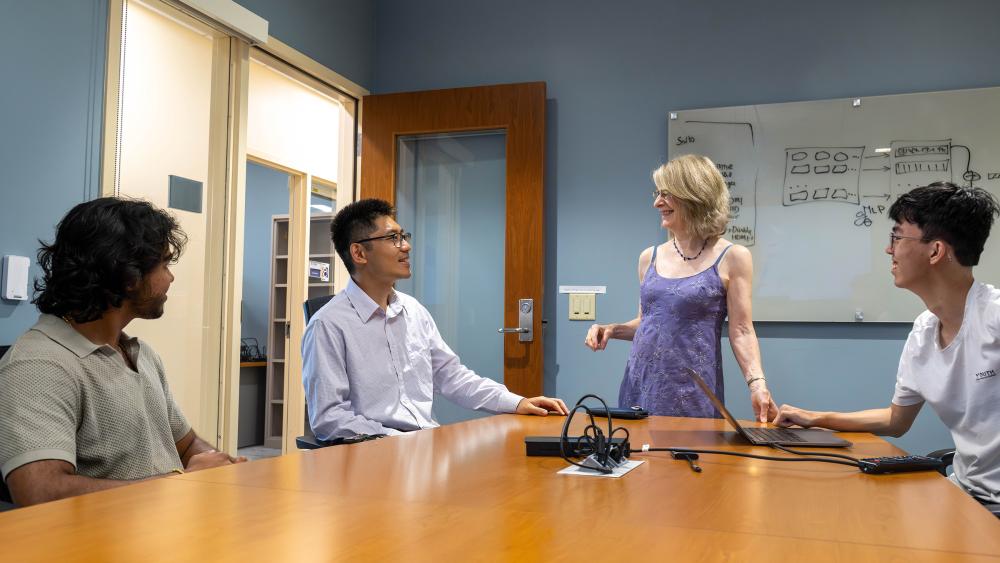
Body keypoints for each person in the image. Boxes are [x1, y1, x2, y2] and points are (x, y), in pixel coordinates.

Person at [0, 198, 245, 507]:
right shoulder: (38, 366)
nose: (170, 278)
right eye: (164, 265)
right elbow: (41, 492)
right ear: (129, 277)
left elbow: (187, 444)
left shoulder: (142, 355)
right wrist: (182, 484)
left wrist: (222, 468)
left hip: (167, 523)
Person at [775, 182, 1000, 506]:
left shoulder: (993, 318)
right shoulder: (924, 331)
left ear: (935, 251)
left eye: (897, 237)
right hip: (965, 492)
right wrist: (814, 418)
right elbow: (895, 421)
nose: (888, 250)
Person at [302, 198, 568, 440]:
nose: (406, 246)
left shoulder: (413, 310)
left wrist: (516, 402)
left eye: (404, 236)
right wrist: (397, 441)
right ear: (359, 253)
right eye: (393, 238)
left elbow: (452, 377)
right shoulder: (328, 325)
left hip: (425, 443)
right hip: (375, 453)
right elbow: (330, 418)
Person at [585, 154, 777, 421]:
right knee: (637, 448)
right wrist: (612, 329)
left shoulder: (733, 257)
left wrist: (757, 384)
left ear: (694, 195)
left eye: (666, 194)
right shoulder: (649, 258)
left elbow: (742, 330)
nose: (657, 203)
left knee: (693, 448)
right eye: (658, 194)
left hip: (692, 392)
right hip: (640, 383)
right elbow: (649, 322)